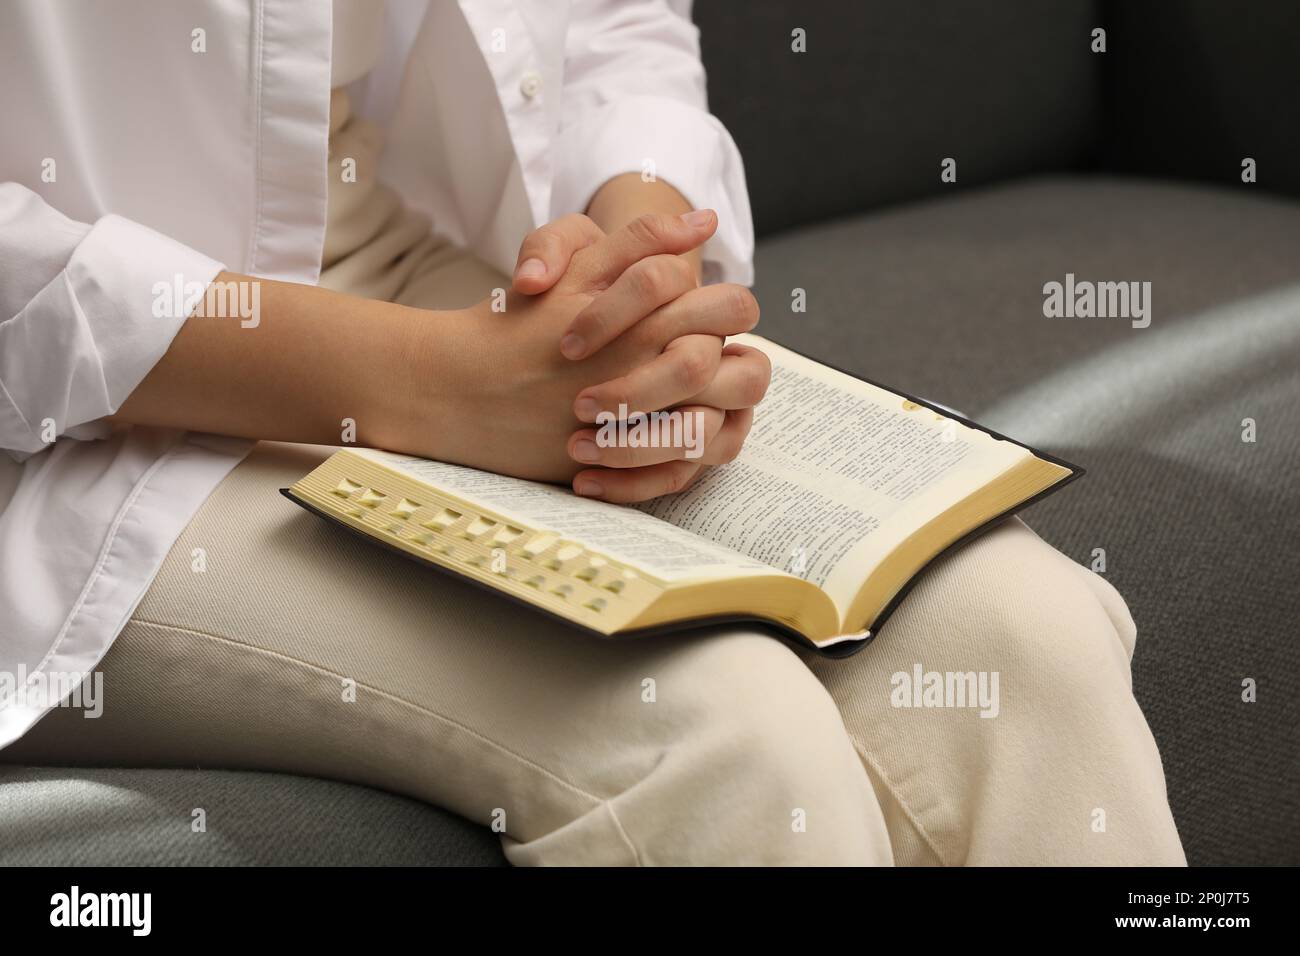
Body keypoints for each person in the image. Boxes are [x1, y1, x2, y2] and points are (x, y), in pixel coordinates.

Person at [0, 0, 1184, 865]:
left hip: (416, 271)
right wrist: (430, 386)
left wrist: (638, 262)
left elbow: (612, 22)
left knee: (1028, 639)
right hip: (87, 413)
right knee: (722, 729)